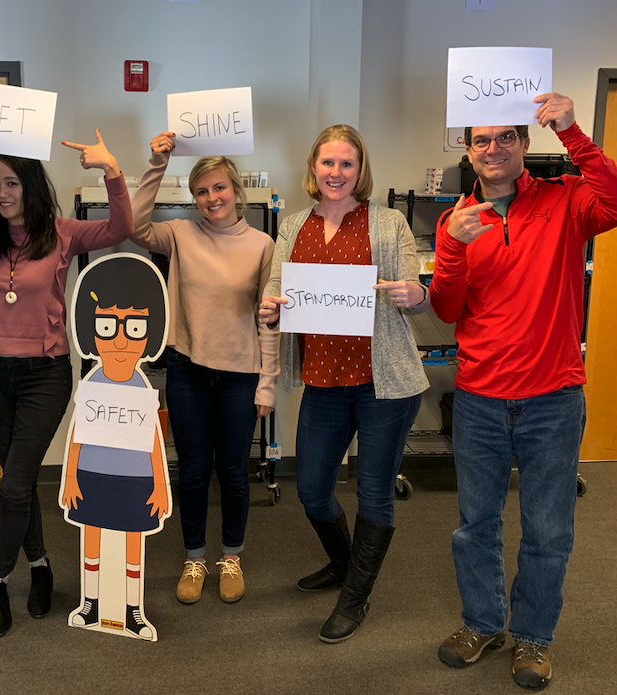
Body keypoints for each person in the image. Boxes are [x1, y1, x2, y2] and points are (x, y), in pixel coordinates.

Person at [430, 93, 617, 689]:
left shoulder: (566, 198)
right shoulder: (456, 221)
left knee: (548, 531)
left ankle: (533, 637)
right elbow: (446, 308)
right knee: (474, 525)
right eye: (481, 139)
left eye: (506, 137)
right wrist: (453, 247)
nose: (493, 148)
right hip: (480, 398)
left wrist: (574, 132)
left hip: (553, 398)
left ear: (525, 143)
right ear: (468, 150)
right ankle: (482, 623)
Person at [0, 101, 133, 638]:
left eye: (12, 183)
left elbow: (121, 227)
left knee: (13, 486)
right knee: (16, 485)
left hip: (45, 375)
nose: (1, 193)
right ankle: (40, 567)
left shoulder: (63, 232)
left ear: (31, 186)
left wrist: (111, 170)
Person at [260, 124, 428, 643]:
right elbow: (277, 284)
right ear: (314, 167)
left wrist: (414, 294)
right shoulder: (294, 224)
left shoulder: (388, 222)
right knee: (312, 491)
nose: (336, 172)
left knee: (374, 493)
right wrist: (270, 304)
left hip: (384, 382)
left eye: (346, 163)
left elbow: (414, 291)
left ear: (360, 169)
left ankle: (355, 597)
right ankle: (345, 563)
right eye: (328, 162)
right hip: (325, 379)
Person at [129, 132, 279, 604]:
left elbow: (269, 319)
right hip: (188, 369)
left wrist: (268, 383)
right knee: (193, 472)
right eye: (201, 191)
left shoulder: (262, 245)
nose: (212, 198)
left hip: (241, 374)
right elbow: (133, 224)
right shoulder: (179, 234)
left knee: (233, 472)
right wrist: (157, 162)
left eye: (219, 188)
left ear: (236, 190)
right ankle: (194, 558)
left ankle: (230, 556)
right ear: (193, 197)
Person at [61, 254, 170, 640]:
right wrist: (70, 477)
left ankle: (132, 611)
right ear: (90, 331)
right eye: (107, 326)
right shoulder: (93, 383)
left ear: (150, 333)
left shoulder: (142, 385)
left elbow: (152, 435)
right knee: (91, 533)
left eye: (135, 327)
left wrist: (160, 484)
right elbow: (79, 431)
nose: (121, 340)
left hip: (136, 479)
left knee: (132, 541)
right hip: (92, 474)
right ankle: (90, 604)